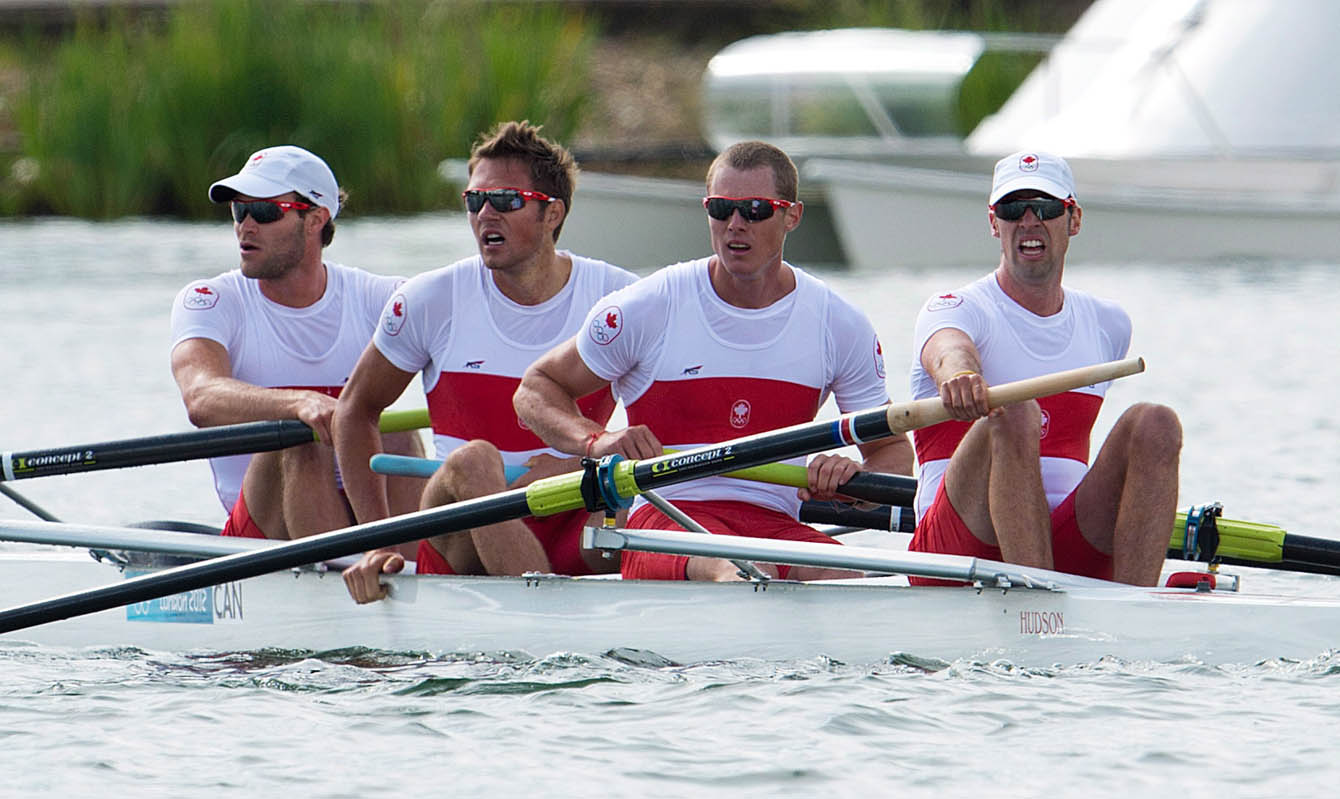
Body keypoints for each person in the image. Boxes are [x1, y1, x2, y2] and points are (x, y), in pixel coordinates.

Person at [514, 140, 913, 582]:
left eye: (755, 210)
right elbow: (536, 387)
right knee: (740, 571)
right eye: (721, 209)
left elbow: (893, 452)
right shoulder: (650, 306)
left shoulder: (837, 323)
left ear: (792, 216)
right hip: (666, 519)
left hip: (774, 522)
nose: (735, 224)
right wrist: (596, 441)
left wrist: (855, 479)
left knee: (847, 581)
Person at [335, 121, 639, 603]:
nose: (485, 214)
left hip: (569, 512)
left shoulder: (618, 299)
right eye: (475, 200)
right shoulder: (431, 299)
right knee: (474, 460)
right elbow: (354, 410)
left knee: (638, 492)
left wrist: (572, 466)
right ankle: (541, 620)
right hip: (460, 528)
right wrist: (378, 542)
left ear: (552, 213)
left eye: (505, 201)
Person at [907, 150, 1181, 586]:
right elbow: (948, 351)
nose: (1029, 221)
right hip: (957, 547)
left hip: (1062, 543)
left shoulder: (1108, 323)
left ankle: (1137, 607)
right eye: (1013, 209)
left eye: (1046, 207)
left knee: (1156, 422)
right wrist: (959, 377)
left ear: (1074, 219)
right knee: (1016, 409)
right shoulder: (954, 307)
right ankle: (1038, 606)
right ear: (994, 223)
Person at [170, 145, 424, 548]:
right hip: (261, 532)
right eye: (239, 210)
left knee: (399, 432)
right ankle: (353, 569)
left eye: (264, 211)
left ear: (315, 219)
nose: (246, 226)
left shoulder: (378, 298)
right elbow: (201, 398)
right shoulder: (211, 300)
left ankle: (405, 569)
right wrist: (299, 402)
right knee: (298, 438)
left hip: (360, 509)